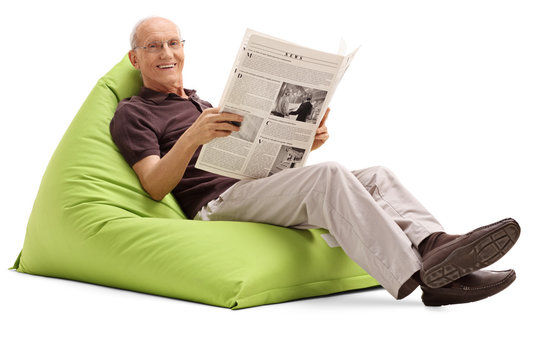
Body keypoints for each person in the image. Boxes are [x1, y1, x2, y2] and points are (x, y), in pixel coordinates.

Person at [110, 16, 520, 306]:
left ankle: (436, 245)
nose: (167, 52)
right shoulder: (134, 112)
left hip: (250, 186)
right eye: (153, 46)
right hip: (216, 206)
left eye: (174, 43)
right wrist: (192, 138)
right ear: (135, 59)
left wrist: (307, 139)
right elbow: (153, 185)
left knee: (376, 174)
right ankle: (425, 276)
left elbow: (259, 158)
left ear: (184, 48)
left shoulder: (203, 101)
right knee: (327, 178)